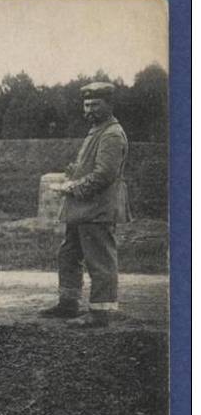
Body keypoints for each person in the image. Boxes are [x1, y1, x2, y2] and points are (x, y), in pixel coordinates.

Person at [39, 81, 132, 328]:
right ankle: (68, 303)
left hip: (97, 209)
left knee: (99, 260)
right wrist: (73, 175)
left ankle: (101, 312)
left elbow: (104, 175)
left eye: (95, 104)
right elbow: (92, 168)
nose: (89, 110)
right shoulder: (98, 130)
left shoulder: (111, 134)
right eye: (86, 104)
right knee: (68, 254)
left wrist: (73, 188)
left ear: (109, 105)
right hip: (82, 209)